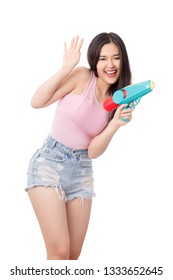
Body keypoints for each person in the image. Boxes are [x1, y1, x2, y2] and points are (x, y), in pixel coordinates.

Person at [26, 32, 133, 260]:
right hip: (49, 164)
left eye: (116, 57)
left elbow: (93, 151)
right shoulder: (83, 77)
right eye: (103, 58)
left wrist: (115, 124)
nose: (110, 65)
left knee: (73, 256)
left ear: (123, 60)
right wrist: (66, 67)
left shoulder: (118, 99)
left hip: (82, 171)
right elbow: (36, 102)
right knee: (59, 251)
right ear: (94, 60)